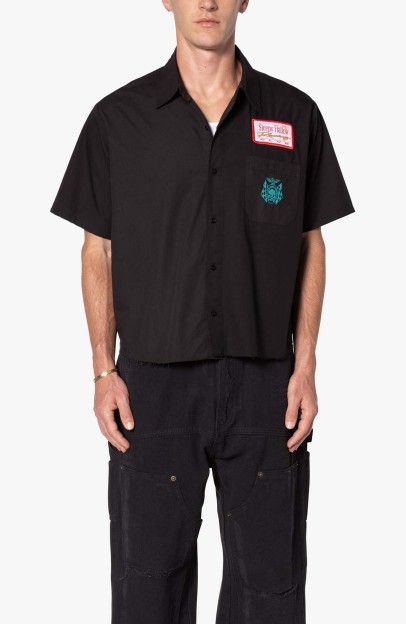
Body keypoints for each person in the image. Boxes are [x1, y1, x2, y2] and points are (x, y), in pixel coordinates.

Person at [50, 1, 355, 622]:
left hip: (267, 389)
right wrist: (103, 370)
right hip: (152, 391)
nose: (207, 3)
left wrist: (305, 367)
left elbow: (311, 243)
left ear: (246, 0)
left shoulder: (293, 114)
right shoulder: (117, 119)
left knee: (270, 592)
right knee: (147, 592)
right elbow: (97, 249)